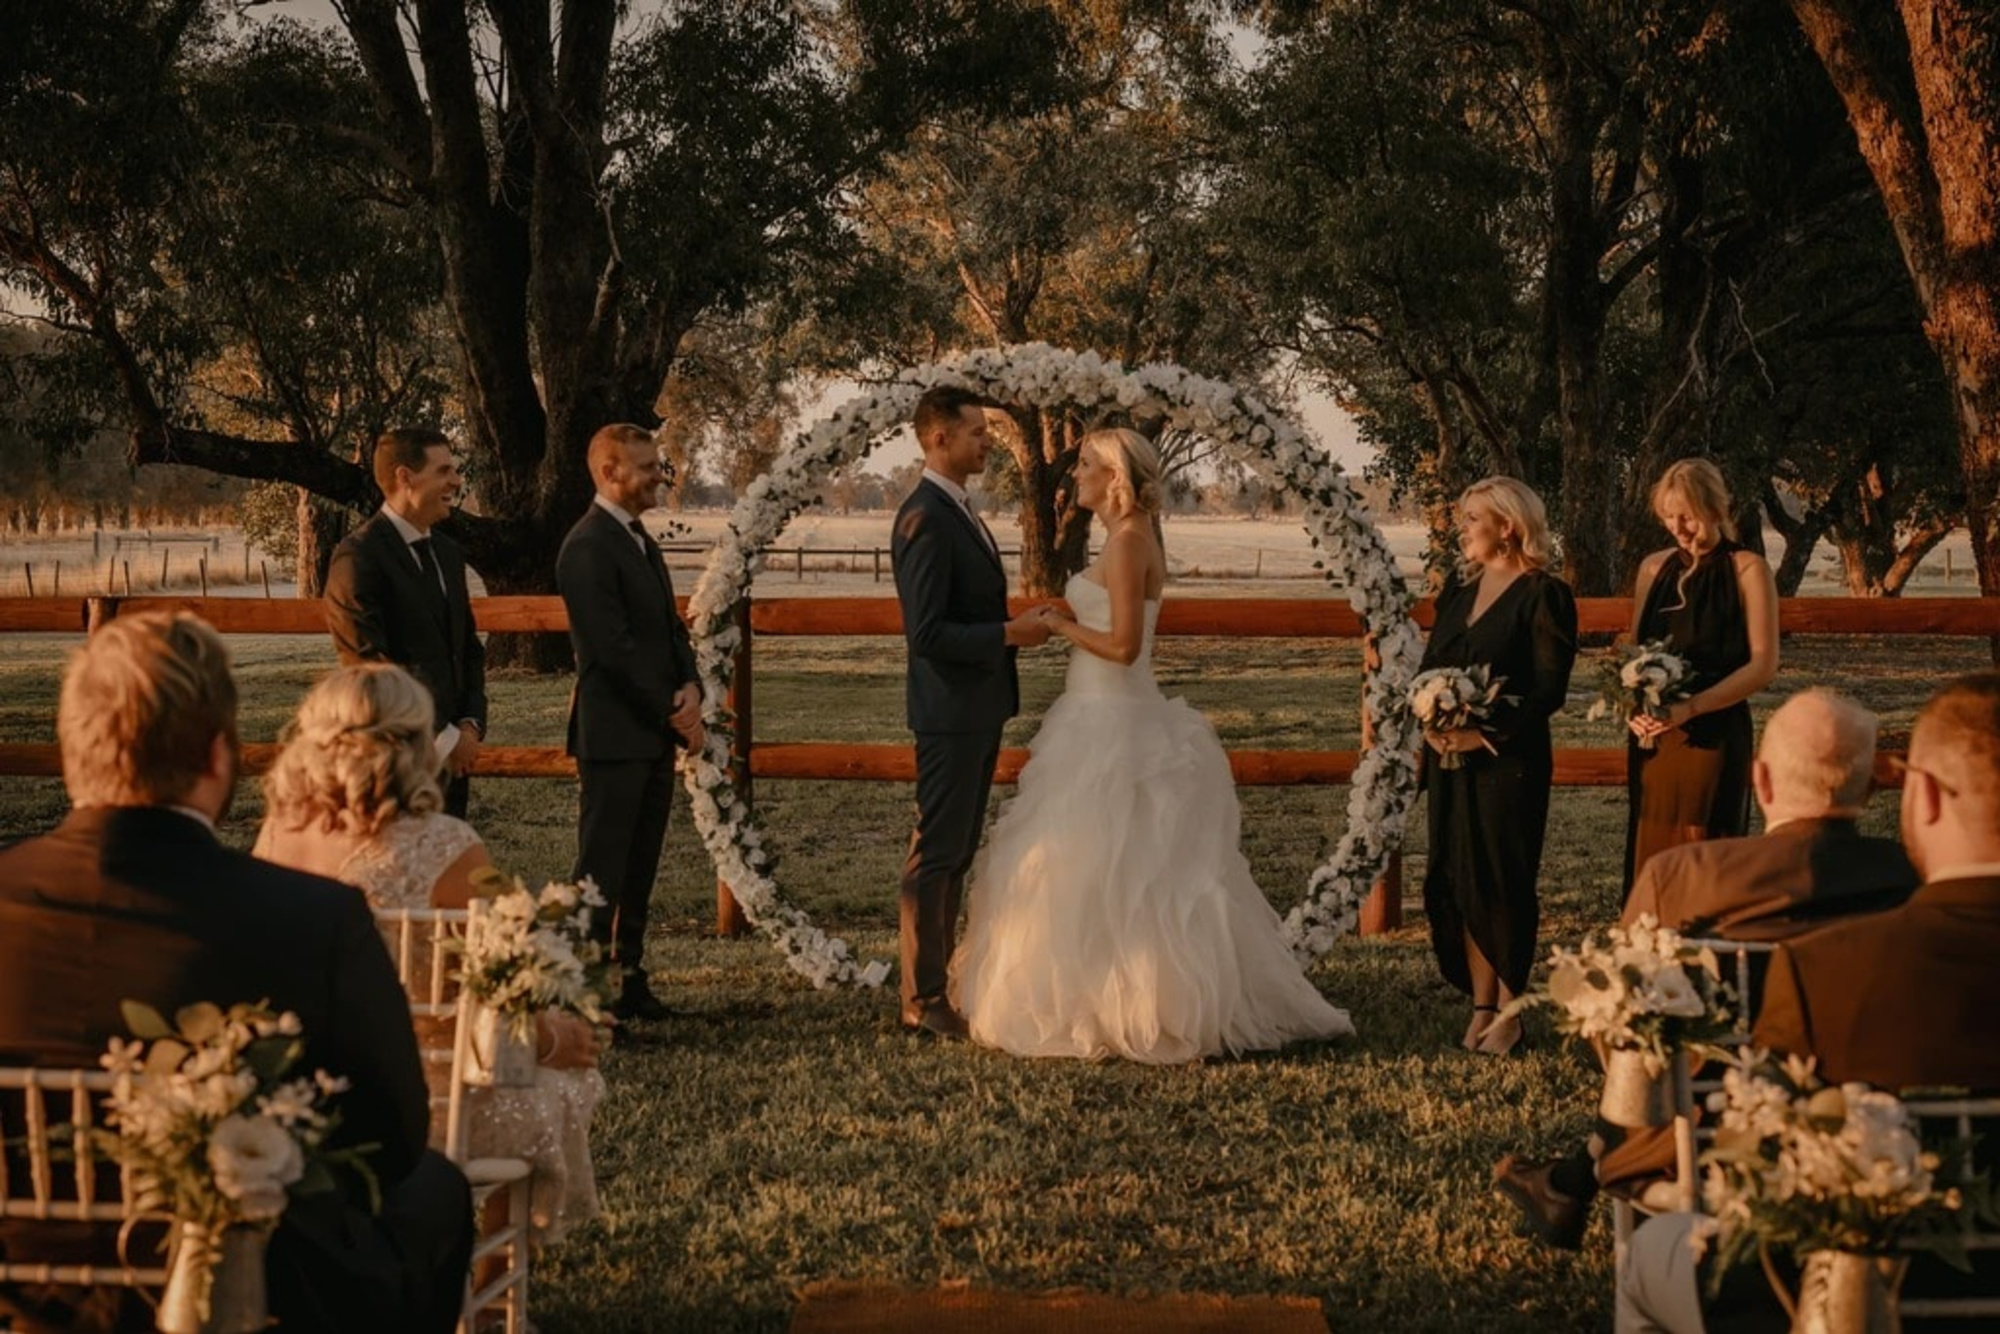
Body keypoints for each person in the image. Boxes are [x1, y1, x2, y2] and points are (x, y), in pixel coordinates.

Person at [0, 613, 471, 1334]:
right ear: (218, 758)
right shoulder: (315, 918)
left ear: (71, 754)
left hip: (25, 1288)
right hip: (258, 1286)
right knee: (437, 1189)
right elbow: (395, 1138)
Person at [948, 428, 1353, 1062]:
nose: (1073, 474)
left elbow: (1126, 647)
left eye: (1084, 465)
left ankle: (1138, 1003)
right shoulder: (1121, 539)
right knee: (1085, 865)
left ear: (1114, 477)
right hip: (1091, 716)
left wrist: (1060, 624)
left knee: (1126, 868)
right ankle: (1096, 990)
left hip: (1115, 717)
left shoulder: (1132, 542)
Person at [1615, 671, 2000, 1333]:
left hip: (1872, 1296)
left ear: (1927, 796)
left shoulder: (1830, 971)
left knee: (1647, 1255)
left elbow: (1760, 1169)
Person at [1493, 689, 1917, 1250]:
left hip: (1703, 1137)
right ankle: (1571, 1178)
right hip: (1879, 1132)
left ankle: (1578, 1176)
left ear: (1760, 781)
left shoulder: (1682, 875)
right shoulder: (1915, 879)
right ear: (1869, 787)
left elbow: (1616, 1032)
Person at [255, 663, 604, 1244]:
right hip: (430, 1106)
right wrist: (553, 1038)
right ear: (415, 743)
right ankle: (491, 1289)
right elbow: (502, 994)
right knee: (561, 1085)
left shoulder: (276, 837)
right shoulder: (448, 846)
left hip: (302, 1095)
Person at [891, 385, 1050, 1039]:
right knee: (935, 855)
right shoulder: (924, 517)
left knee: (953, 852)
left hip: (977, 708)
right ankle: (921, 1000)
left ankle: (937, 989)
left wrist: (1010, 625)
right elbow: (926, 634)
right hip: (949, 711)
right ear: (939, 439)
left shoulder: (958, 509)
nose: (988, 442)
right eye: (978, 433)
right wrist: (1009, 636)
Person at [1416, 476, 1578, 1056]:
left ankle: (1512, 1010)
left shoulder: (1544, 594)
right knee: (1458, 877)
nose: (1463, 531)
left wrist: (1481, 732)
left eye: (1472, 521)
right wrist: (1432, 723)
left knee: (1503, 881)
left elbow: (1549, 686)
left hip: (1508, 761)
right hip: (1448, 763)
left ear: (1507, 527)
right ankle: (1482, 1005)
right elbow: (1429, 667)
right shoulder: (1458, 594)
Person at [556, 424, 704, 1024]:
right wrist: (674, 714)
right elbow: (610, 653)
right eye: (646, 468)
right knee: (601, 869)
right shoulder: (587, 547)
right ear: (608, 473)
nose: (659, 477)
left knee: (640, 864)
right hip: (614, 735)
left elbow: (669, 631)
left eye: (658, 465)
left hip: (650, 731)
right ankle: (582, 991)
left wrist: (692, 684)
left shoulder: (641, 540)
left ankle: (629, 977)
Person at [1623, 459, 1778, 897]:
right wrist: (1635, 708)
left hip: (1713, 733)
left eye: (1687, 515)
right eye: (1669, 516)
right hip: (1653, 737)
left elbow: (1763, 664)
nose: (1678, 527)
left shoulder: (1747, 569)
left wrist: (1690, 707)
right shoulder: (1653, 568)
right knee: (1650, 846)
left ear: (1714, 508)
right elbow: (1634, 654)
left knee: (1703, 845)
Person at [325, 427, 488, 819]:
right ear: (405, 477)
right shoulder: (358, 557)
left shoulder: (448, 554)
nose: (455, 481)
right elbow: (369, 664)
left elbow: (466, 648)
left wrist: (469, 725)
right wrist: (443, 739)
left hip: (454, 765)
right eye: (444, 470)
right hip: (392, 761)